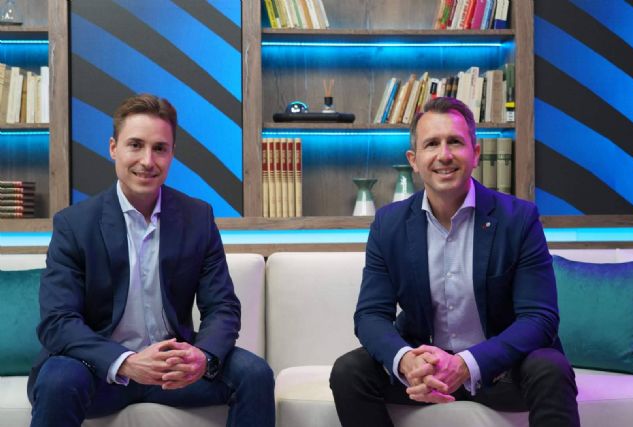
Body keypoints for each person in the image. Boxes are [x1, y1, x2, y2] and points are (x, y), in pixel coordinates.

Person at [27, 94, 275, 427]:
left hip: (173, 369)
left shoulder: (197, 218)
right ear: (113, 148)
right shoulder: (74, 224)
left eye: (160, 148)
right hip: (99, 368)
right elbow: (58, 320)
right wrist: (126, 362)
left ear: (172, 154)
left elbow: (222, 307)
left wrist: (202, 355)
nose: (148, 161)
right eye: (135, 145)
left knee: (255, 374)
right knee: (58, 380)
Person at [330, 97, 579, 426]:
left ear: (475, 154)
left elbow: (539, 318)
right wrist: (406, 361)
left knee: (551, 368)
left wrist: (465, 364)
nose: (444, 155)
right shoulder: (388, 225)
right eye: (432, 144)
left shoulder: (519, 219)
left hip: (500, 369)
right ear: (414, 160)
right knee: (349, 371)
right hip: (424, 373)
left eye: (455, 142)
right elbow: (370, 315)